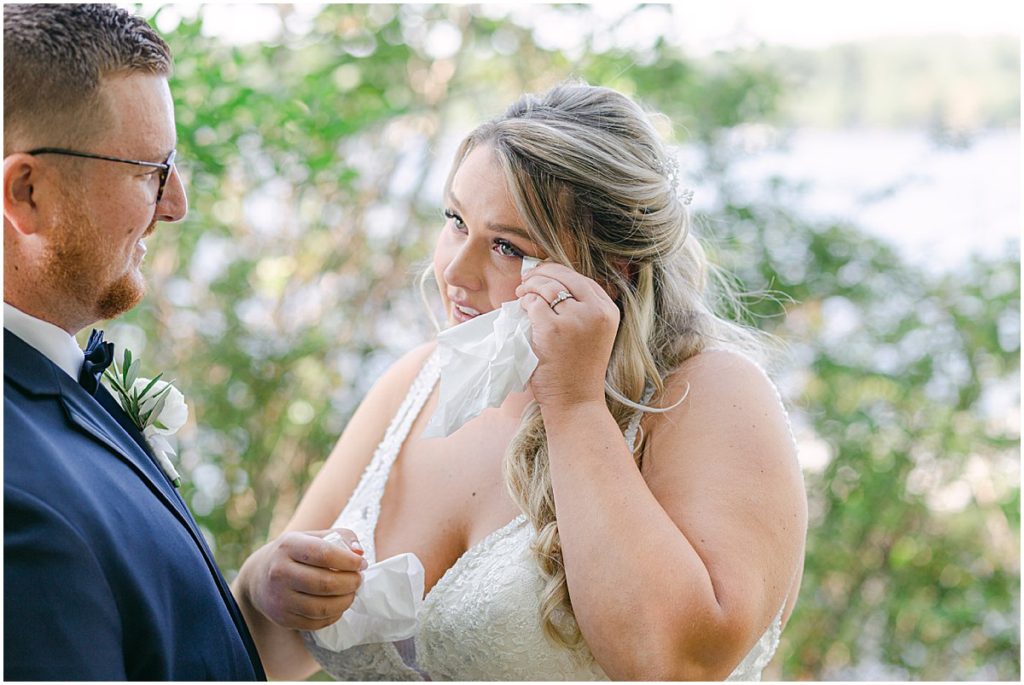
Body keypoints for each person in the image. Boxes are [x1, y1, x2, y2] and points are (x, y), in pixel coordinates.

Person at [233, 81, 808, 680]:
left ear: (611, 271)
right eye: (456, 221)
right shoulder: (414, 384)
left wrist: (576, 405)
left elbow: (676, 664)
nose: (456, 271)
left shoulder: (710, 395)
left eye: (507, 247)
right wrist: (262, 591)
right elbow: (260, 656)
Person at [2, 5, 271, 679]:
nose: (175, 203)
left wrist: (266, 607)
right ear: (25, 191)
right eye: (150, 168)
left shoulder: (52, 384)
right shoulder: (15, 492)